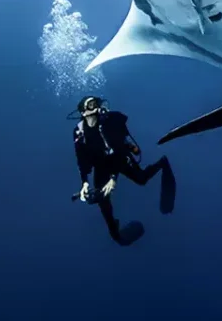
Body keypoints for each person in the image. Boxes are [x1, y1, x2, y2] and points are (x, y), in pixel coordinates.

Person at [72, 95, 173, 245]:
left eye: (97, 103)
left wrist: (113, 179)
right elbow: (81, 160)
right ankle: (116, 234)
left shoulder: (109, 123)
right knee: (102, 200)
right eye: (92, 105)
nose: (97, 107)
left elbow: (119, 150)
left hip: (119, 158)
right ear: (83, 112)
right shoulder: (79, 132)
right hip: (101, 165)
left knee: (141, 179)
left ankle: (162, 163)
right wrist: (85, 183)